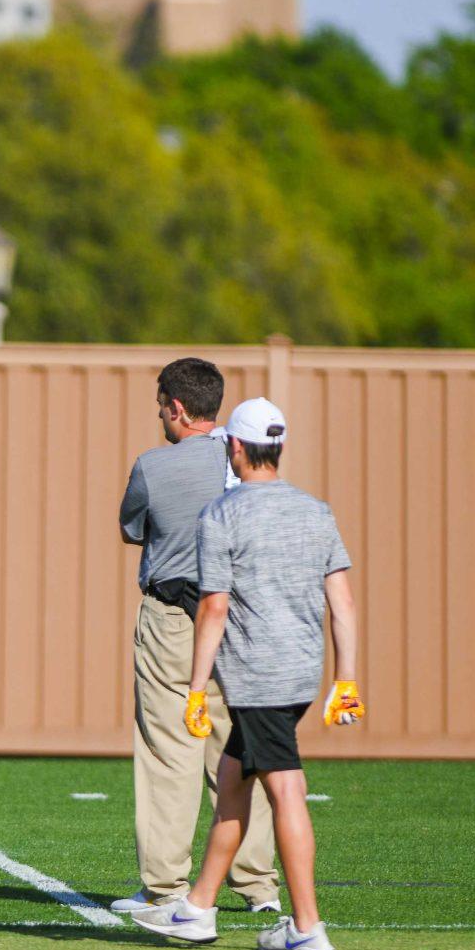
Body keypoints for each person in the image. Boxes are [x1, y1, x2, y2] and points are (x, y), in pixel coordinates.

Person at [131, 398, 360, 950]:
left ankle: (307, 927)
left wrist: (193, 687)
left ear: (235, 447)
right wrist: (345, 679)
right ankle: (198, 909)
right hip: (301, 672)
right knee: (233, 781)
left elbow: (213, 607)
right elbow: (343, 602)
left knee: (286, 790)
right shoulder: (316, 510)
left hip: (257, 674)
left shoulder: (223, 515)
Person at [113, 357, 280, 919]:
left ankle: (164, 887)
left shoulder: (152, 466)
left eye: (162, 403)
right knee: (239, 750)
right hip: (241, 619)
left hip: (174, 619)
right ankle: (257, 884)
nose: (160, 413)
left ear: (178, 408)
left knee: (169, 751)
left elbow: (133, 528)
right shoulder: (248, 456)